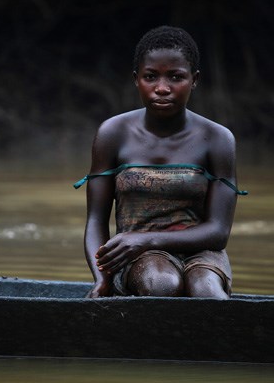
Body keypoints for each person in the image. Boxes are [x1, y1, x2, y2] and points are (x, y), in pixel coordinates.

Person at [74, 26, 247, 299]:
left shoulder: (218, 139)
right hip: (134, 257)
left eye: (176, 77)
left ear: (195, 80)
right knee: (161, 283)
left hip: (202, 253)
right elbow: (96, 220)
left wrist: (148, 238)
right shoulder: (113, 134)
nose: (162, 88)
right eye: (150, 77)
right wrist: (101, 278)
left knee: (207, 292)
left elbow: (218, 232)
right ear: (136, 79)